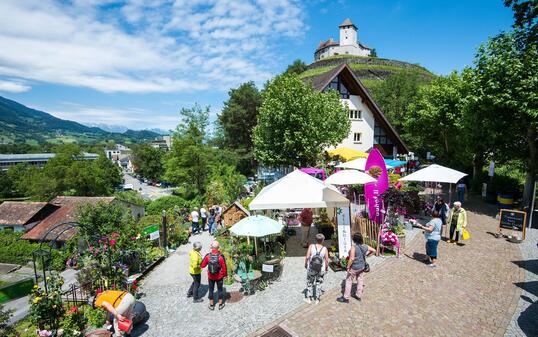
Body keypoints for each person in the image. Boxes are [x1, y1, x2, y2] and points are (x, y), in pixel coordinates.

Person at [337, 233, 375, 303]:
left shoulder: (353, 247)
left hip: (354, 267)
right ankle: (358, 295)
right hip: (362, 266)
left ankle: (346, 297)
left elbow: (351, 259)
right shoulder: (365, 246)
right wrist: (367, 255)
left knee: (348, 281)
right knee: (360, 280)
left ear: (354, 240)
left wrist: (348, 267)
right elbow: (374, 250)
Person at [200, 240, 227, 310]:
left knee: (211, 290)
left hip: (211, 276)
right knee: (220, 290)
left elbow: (202, 265)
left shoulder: (208, 256)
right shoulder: (221, 257)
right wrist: (225, 275)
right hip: (219, 276)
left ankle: (211, 305)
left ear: (211, 247)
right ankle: (220, 304)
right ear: (218, 248)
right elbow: (224, 267)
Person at [304, 234, 329, 304]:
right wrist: (326, 268)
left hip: (311, 268)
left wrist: (306, 264)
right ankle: (317, 299)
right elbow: (327, 260)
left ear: (315, 240)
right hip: (321, 269)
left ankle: (309, 298)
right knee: (319, 283)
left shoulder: (311, 246)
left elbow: (307, 257)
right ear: (323, 240)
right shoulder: (324, 249)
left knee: (310, 282)